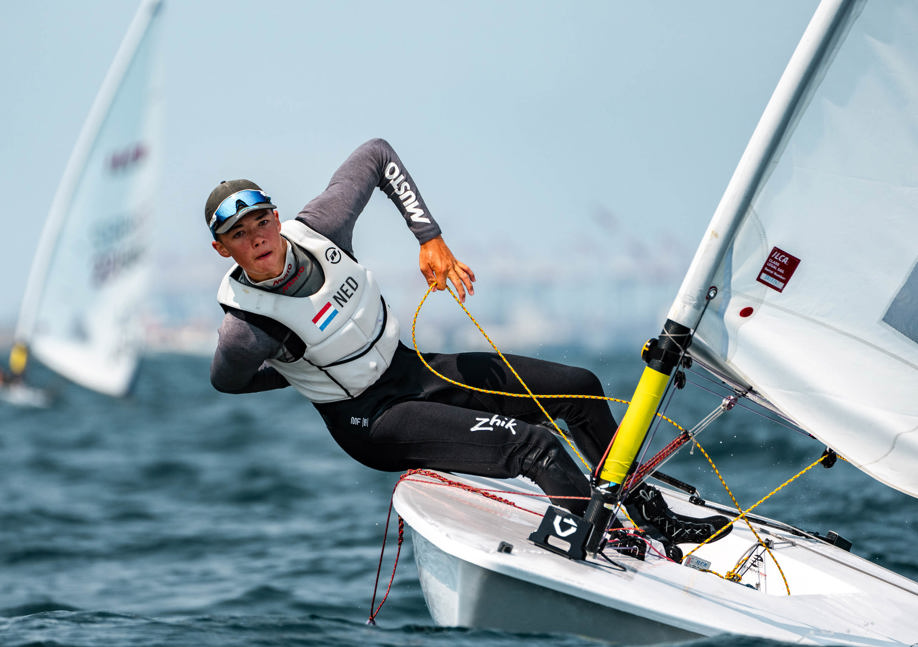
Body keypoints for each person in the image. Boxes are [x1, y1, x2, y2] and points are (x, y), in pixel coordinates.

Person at [206, 138, 729, 550]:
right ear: (222, 248)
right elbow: (228, 383)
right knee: (536, 446)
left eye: (261, 221)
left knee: (580, 389)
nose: (258, 238)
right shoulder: (246, 329)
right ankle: (600, 538)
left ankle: (649, 514)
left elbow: (377, 155)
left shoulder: (322, 227)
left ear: (276, 216)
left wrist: (429, 237)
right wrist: (302, 369)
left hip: (413, 370)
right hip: (372, 419)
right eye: (238, 234)